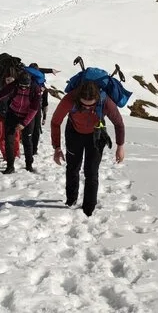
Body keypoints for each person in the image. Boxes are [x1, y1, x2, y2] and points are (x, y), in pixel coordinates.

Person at [50, 80, 126, 216]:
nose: (86, 107)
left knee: (91, 172)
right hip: (74, 133)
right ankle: (71, 200)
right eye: (83, 105)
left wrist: (120, 146)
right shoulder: (70, 99)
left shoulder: (105, 102)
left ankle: (88, 209)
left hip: (96, 135)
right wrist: (57, 147)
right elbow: (55, 122)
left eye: (90, 106)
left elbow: (119, 123)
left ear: (97, 99)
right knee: (73, 167)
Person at [0, 70, 44, 174]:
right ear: (18, 82)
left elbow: (34, 109)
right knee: (9, 140)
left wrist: (24, 123)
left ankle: (29, 165)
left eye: (25, 86)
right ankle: (10, 166)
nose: (23, 88)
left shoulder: (35, 89)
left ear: (30, 83)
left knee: (27, 141)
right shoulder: (14, 85)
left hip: (27, 116)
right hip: (13, 114)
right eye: (21, 85)